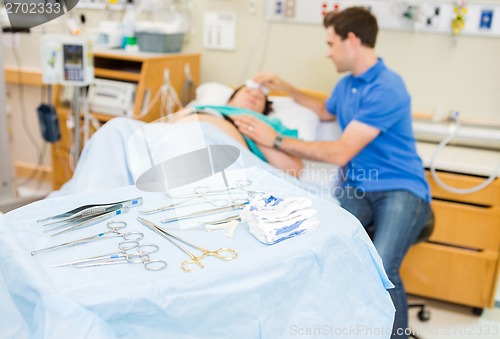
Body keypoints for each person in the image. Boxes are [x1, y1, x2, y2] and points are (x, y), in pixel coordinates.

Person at [230, 7, 431, 339]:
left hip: (400, 188)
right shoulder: (347, 85)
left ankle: (396, 336)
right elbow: (325, 111)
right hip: (357, 188)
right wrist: (285, 87)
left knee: (381, 266)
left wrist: (277, 139)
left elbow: (340, 151)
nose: (327, 52)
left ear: (351, 41)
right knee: (322, 247)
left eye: (331, 43)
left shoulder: (388, 87)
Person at [52, 83, 303, 196]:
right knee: (116, 129)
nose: (253, 95)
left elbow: (293, 169)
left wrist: (264, 138)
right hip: (167, 136)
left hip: (213, 146)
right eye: (247, 91)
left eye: (259, 98)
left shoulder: (268, 126)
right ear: (229, 100)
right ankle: (88, 206)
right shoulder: (205, 108)